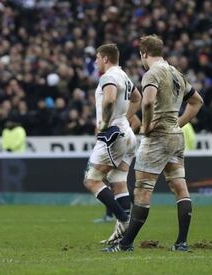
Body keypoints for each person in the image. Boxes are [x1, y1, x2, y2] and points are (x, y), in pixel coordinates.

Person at [104, 35, 204, 252]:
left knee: (142, 190)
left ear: (144, 54)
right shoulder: (176, 73)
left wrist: (146, 126)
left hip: (157, 138)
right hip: (176, 137)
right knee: (180, 187)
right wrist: (178, 122)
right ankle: (181, 243)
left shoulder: (152, 73)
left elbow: (148, 101)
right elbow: (197, 102)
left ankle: (125, 243)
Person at [83, 44, 141, 244]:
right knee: (118, 181)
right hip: (128, 134)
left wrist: (105, 124)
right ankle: (124, 240)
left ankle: (124, 220)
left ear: (105, 58)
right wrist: (124, 118)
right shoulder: (123, 75)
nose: (96, 61)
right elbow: (137, 98)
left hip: (113, 136)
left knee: (91, 180)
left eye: (97, 58)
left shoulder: (107, 77)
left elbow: (108, 99)